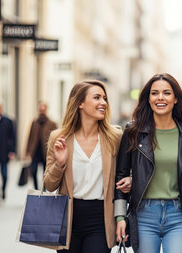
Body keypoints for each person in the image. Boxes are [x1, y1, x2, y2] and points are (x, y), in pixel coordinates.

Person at [114, 73, 182, 253]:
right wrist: (120, 216)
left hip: (178, 215)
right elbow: (120, 177)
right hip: (143, 213)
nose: (160, 98)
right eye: (154, 93)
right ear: (148, 99)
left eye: (167, 93)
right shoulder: (133, 132)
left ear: (175, 99)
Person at [44, 80, 122, 252]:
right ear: (80, 103)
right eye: (96, 98)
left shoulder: (115, 138)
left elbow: (125, 173)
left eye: (104, 98)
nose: (103, 102)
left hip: (100, 219)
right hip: (68, 219)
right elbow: (49, 186)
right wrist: (60, 163)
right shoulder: (59, 138)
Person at [25, 101, 57, 189]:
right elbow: (29, 137)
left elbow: (56, 138)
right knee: (33, 171)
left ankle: (44, 189)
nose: (42, 111)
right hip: (35, 152)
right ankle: (36, 188)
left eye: (43, 110)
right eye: (40, 110)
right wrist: (27, 152)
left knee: (45, 173)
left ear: (46, 110)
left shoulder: (52, 123)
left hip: (46, 152)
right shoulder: (34, 122)